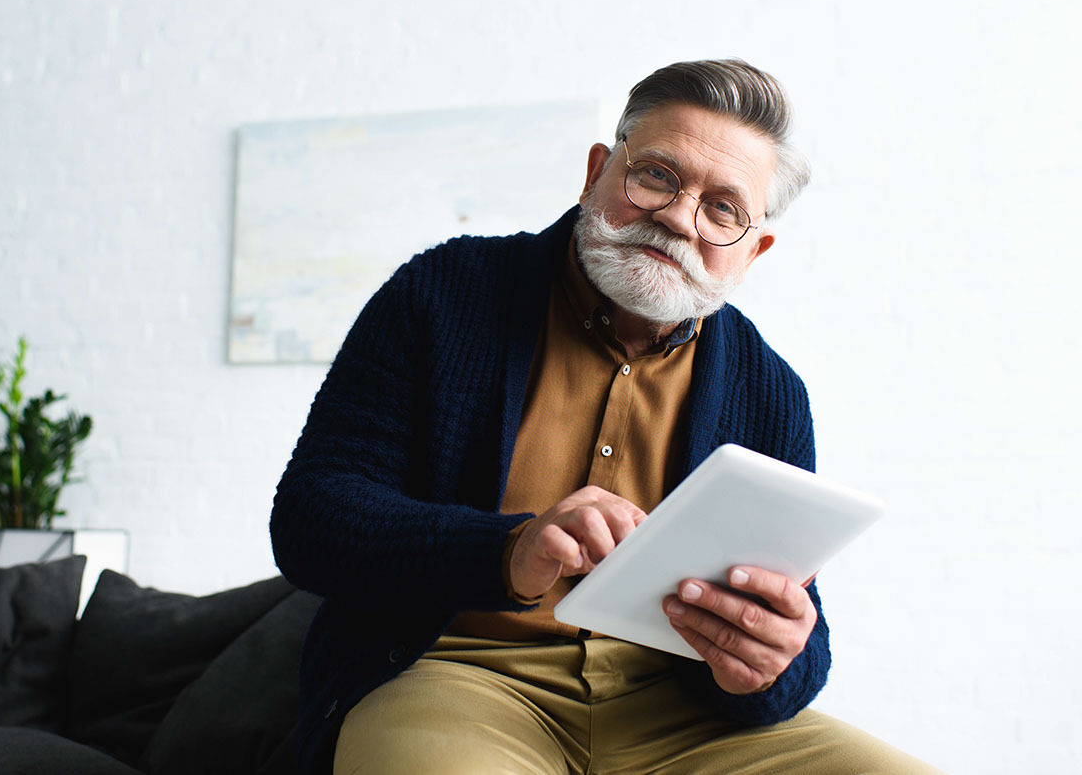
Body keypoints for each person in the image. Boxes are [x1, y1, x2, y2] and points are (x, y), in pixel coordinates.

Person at [271, 59, 941, 774]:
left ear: (753, 251)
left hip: (678, 714)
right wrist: (507, 552)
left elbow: (787, 634)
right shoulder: (443, 294)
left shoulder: (771, 391)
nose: (679, 218)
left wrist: (780, 661)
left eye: (723, 209)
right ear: (597, 171)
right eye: (656, 175)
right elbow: (313, 518)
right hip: (456, 678)